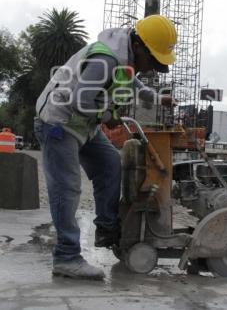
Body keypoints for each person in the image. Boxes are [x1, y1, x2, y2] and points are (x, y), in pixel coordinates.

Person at [34, 14, 177, 280]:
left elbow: (134, 83)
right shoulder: (106, 59)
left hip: (81, 126)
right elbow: (81, 101)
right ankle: (66, 258)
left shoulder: (125, 60)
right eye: (153, 61)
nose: (152, 68)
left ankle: (107, 229)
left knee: (111, 164)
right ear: (138, 46)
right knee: (67, 188)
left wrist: (158, 98)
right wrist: (108, 116)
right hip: (58, 123)